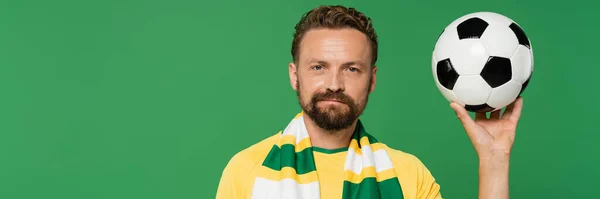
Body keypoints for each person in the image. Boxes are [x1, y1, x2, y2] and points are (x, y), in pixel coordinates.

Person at [216, 5, 523, 199]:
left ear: (372, 79)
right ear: (295, 76)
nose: (334, 84)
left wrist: (493, 161)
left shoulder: (409, 176)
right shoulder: (246, 171)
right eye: (318, 67)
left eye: (351, 68)